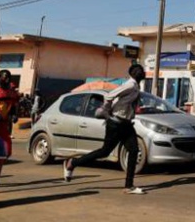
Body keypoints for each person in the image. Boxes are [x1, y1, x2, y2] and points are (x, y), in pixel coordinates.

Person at [63, 64, 146, 195]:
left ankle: (129, 186)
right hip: (116, 123)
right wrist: (107, 113)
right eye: (138, 71)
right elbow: (109, 95)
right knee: (104, 152)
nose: (142, 72)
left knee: (134, 150)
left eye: (142, 70)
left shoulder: (136, 86)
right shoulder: (130, 85)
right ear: (133, 73)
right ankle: (73, 162)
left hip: (126, 124)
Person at [0, 70, 18, 157]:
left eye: (9, 77)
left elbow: (13, 105)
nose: (7, 79)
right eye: (4, 76)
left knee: (7, 149)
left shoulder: (12, 92)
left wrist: (14, 115)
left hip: (4, 124)